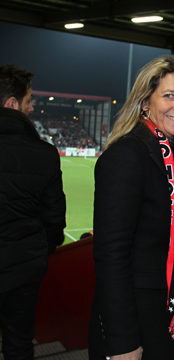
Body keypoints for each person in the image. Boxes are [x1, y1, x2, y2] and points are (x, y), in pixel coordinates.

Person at [88, 56, 174, 360]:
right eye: (169, 95)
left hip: (167, 316)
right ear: (144, 102)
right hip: (133, 324)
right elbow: (111, 256)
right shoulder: (127, 155)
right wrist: (123, 341)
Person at [0, 64, 66, 360]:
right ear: (12, 104)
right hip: (22, 271)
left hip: (22, 266)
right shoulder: (43, 154)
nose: (32, 107)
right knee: (18, 344)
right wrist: (37, 253)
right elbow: (55, 222)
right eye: (28, 101)